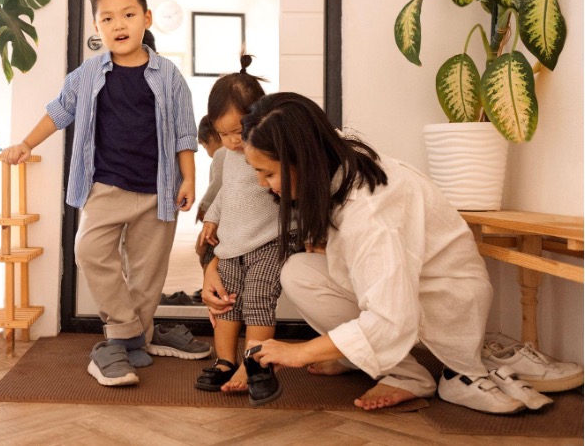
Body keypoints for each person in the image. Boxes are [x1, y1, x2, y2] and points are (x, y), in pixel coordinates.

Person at [204, 91, 549, 414]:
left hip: (442, 302)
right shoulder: (337, 157)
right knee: (298, 270)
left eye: (268, 173)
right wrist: (213, 267)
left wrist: (300, 351)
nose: (262, 184)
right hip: (408, 288)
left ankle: (408, 375)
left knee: (344, 298)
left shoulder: (369, 212)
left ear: (302, 160)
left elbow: (390, 319)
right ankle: (362, 357)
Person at [2, 0, 209, 387]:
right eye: (108, 18)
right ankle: (126, 333)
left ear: (146, 18)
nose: (119, 25)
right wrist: (25, 143)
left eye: (128, 15)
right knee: (90, 251)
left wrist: (188, 178)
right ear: (97, 27)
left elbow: (185, 133)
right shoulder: (88, 74)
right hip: (106, 187)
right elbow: (59, 111)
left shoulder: (168, 76)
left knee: (148, 273)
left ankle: (136, 341)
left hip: (158, 190)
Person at [193, 56, 284, 404]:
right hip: (231, 246)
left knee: (258, 300)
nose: (232, 141)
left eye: (238, 131)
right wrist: (212, 218)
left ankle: (255, 364)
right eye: (223, 134)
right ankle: (225, 361)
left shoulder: (266, 152)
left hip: (267, 243)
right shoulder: (229, 157)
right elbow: (225, 193)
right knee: (226, 303)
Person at [195, 115, 225, 269]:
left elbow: (217, 186)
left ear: (212, 138)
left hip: (222, 220)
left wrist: (203, 207)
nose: (207, 152)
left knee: (205, 254)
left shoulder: (221, 154)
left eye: (205, 147)